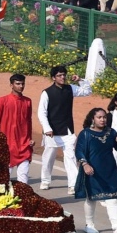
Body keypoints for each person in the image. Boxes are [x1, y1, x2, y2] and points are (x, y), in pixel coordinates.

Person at [74, 108, 117, 233]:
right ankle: (89, 224)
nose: (102, 119)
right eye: (99, 117)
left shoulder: (111, 132)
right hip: (91, 171)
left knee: (112, 197)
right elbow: (79, 151)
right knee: (91, 198)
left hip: (109, 170)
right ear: (93, 119)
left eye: (104, 117)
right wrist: (85, 164)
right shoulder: (85, 134)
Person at [37, 65, 92, 193]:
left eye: (64, 75)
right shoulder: (47, 93)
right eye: (59, 75)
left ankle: (72, 184)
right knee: (49, 157)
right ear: (53, 78)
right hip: (52, 131)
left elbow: (87, 91)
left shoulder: (70, 89)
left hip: (67, 130)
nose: (62, 77)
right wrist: (47, 128)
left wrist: (80, 80)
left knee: (71, 157)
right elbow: (41, 113)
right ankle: (45, 180)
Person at [0, 73, 33, 184]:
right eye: (18, 84)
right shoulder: (2, 100)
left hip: (24, 145)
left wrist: (30, 139)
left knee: (23, 177)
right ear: (11, 85)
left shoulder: (28, 101)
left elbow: (28, 122)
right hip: (7, 144)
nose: (21, 86)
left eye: (23, 84)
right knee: (4, 178)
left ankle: (23, 200)